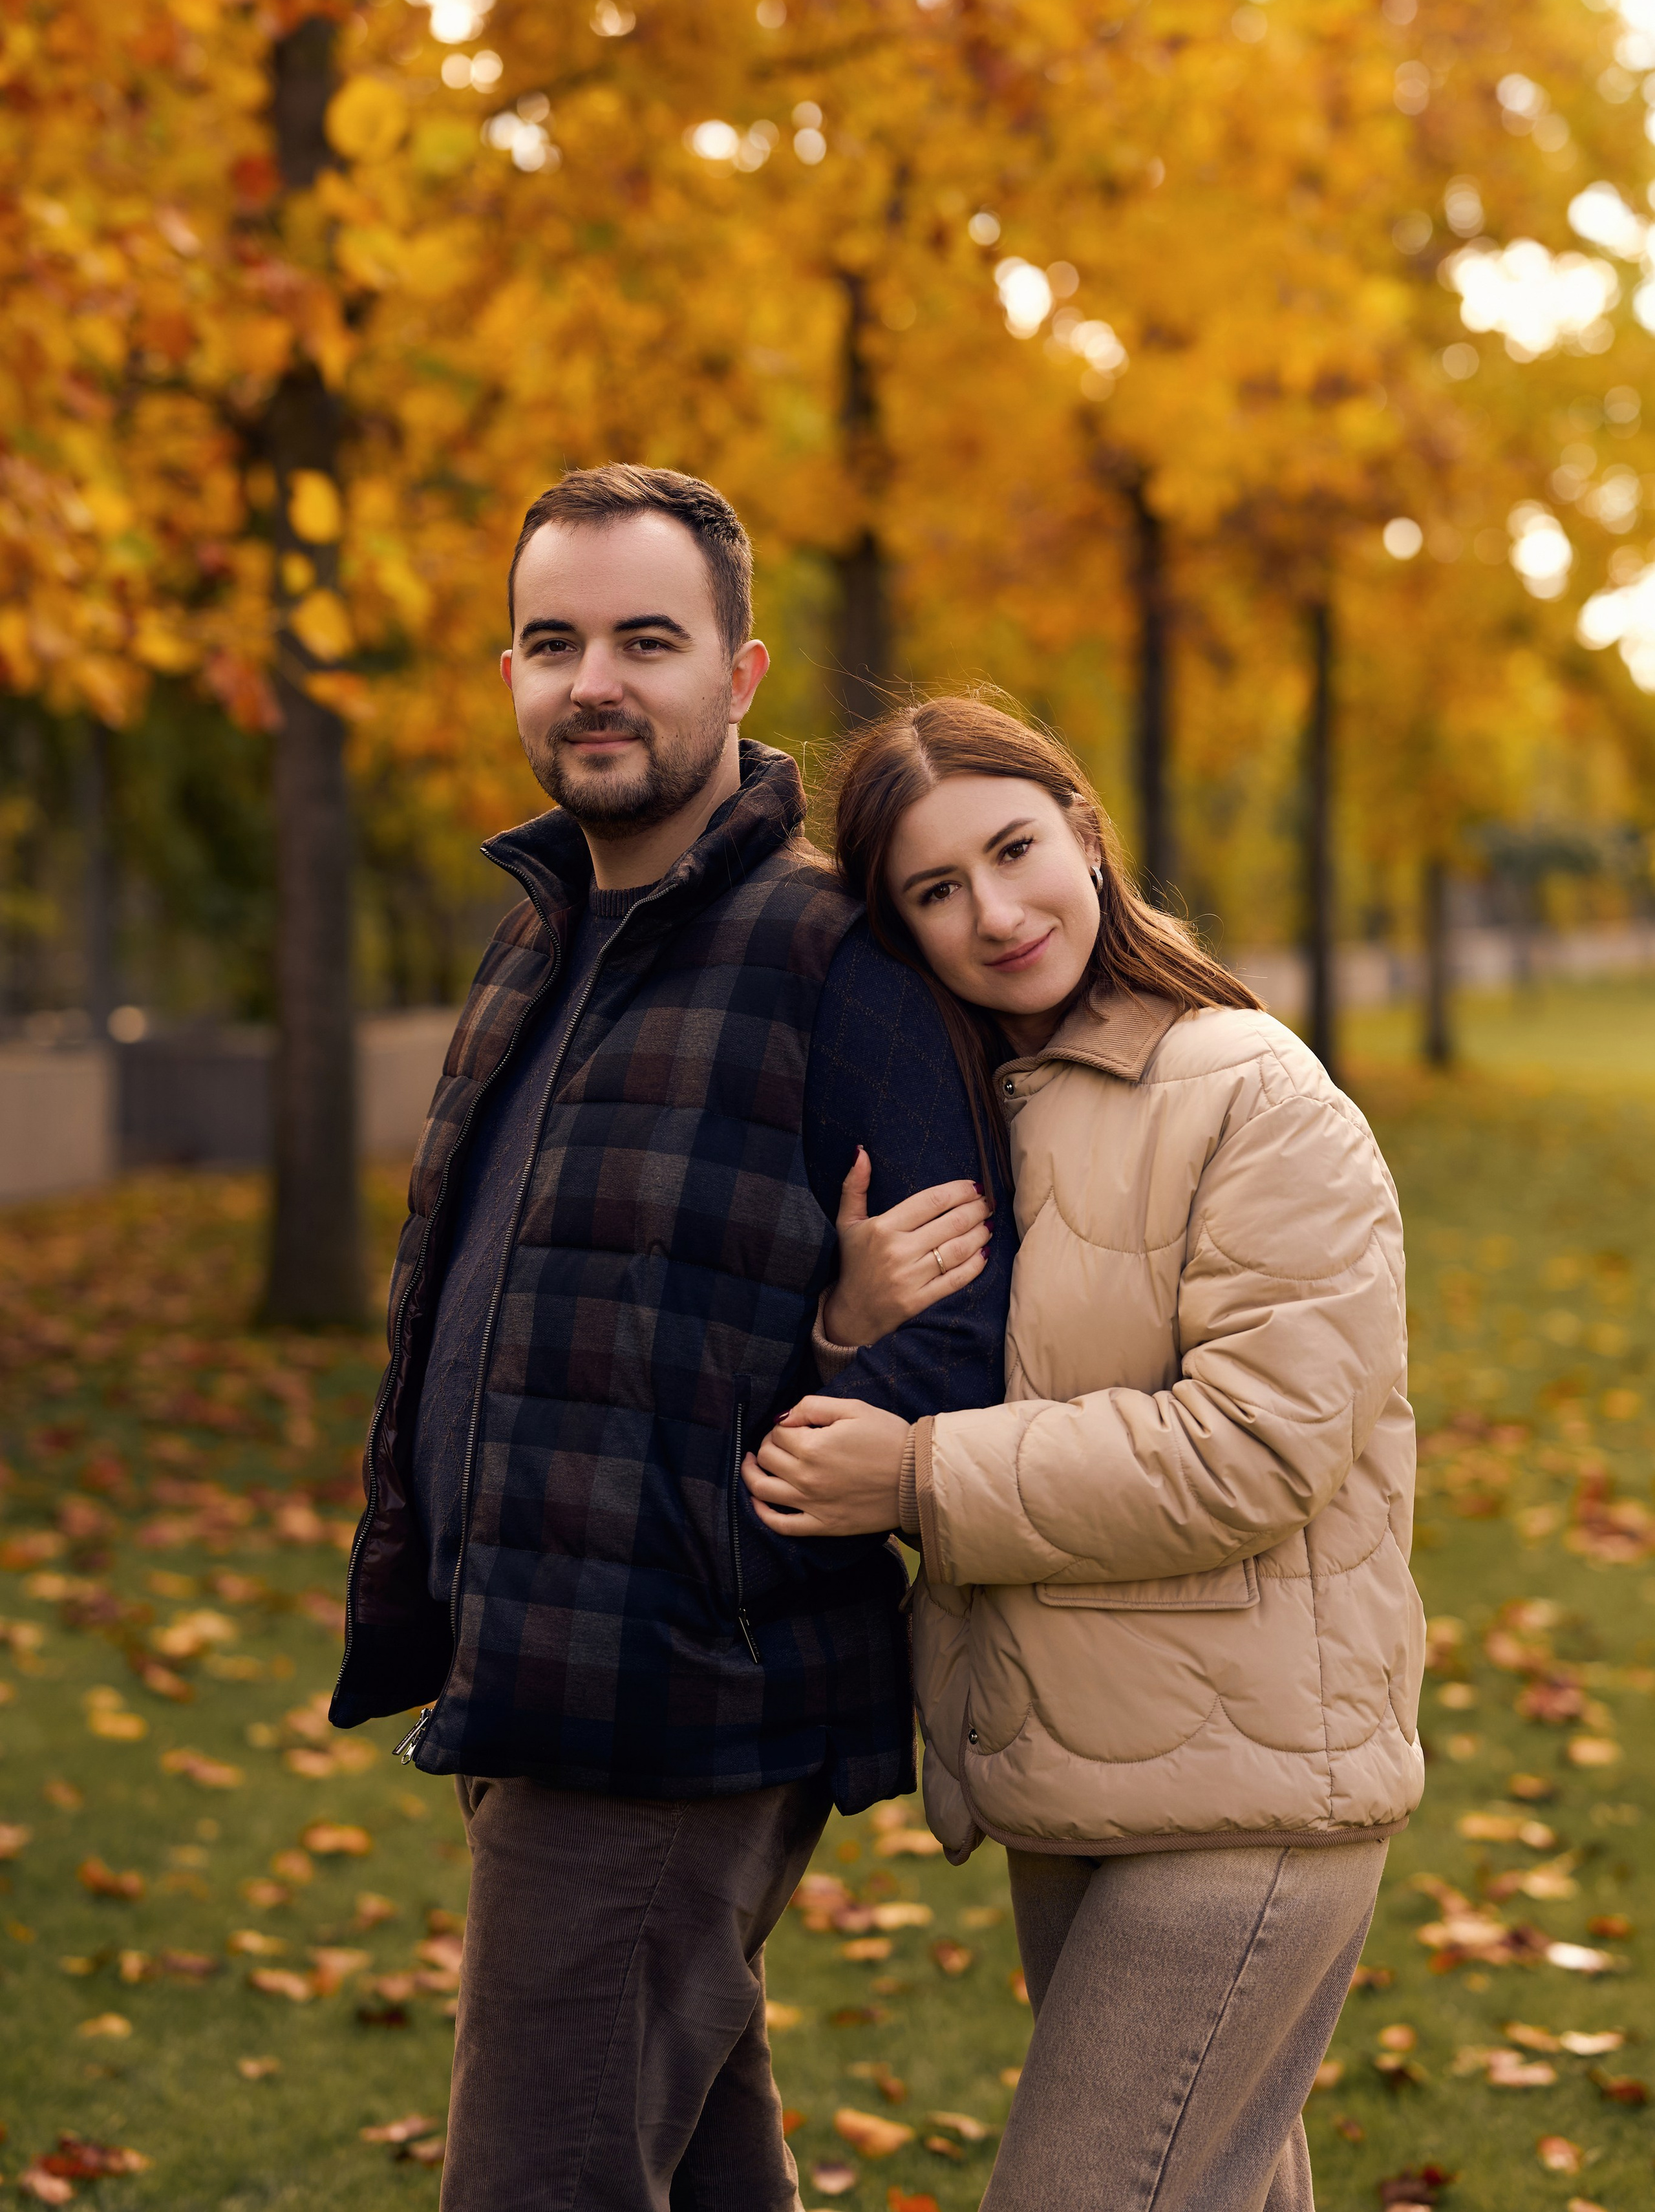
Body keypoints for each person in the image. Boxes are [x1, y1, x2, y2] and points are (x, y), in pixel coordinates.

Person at [328, 474, 1015, 2212]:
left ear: (743, 669)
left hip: (679, 1688)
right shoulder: (537, 944)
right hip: (533, 1657)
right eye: (553, 644)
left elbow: (961, 1323)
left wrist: (819, 1384)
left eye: (647, 639)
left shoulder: (828, 953)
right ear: (511, 673)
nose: (594, 683)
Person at [744, 695, 1424, 2212]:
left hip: (1249, 1796)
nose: (991, 912)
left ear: (1083, 830)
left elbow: (1250, 1449)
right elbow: (1003, 1371)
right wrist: (856, 1328)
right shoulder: (978, 1113)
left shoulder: (1253, 1091)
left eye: (1011, 848)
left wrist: (916, 1473)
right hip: (1078, 1782)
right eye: (932, 890)